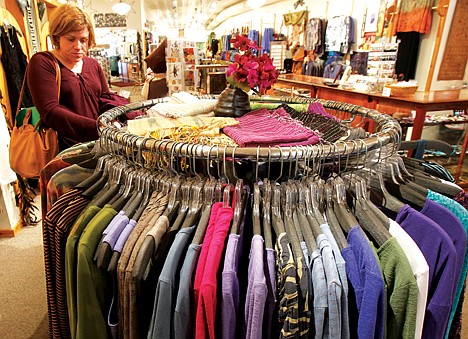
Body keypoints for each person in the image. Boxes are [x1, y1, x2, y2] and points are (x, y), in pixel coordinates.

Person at [27, 4, 128, 151]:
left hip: (99, 145)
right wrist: (97, 128)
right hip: (65, 150)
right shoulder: (43, 62)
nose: (78, 46)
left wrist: (130, 115)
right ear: (57, 37)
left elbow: (105, 99)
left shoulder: (92, 65)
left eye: (83, 40)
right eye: (71, 39)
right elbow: (50, 111)